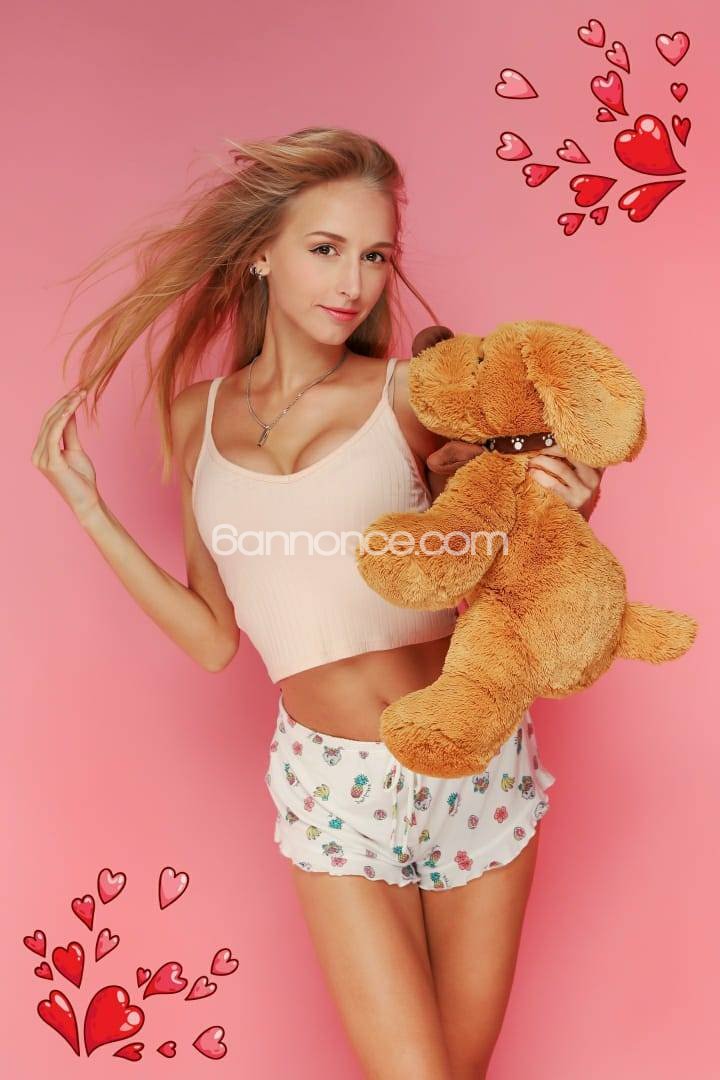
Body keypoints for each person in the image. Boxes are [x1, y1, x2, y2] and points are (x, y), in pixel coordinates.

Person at [32, 127, 602, 1078]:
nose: (354, 282)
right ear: (260, 253)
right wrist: (91, 511)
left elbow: (515, 522)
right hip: (334, 789)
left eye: (375, 256)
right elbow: (215, 639)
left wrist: (571, 504)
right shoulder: (196, 418)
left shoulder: (414, 395)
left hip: (472, 756)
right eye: (327, 248)